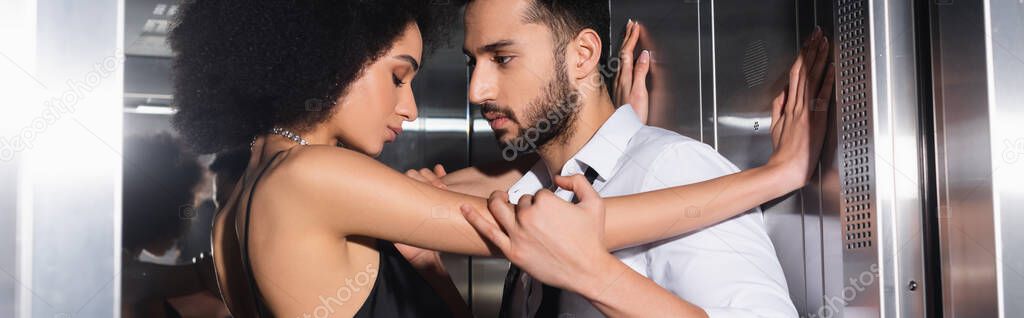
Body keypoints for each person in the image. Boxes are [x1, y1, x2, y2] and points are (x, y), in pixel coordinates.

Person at [168, 0, 828, 317]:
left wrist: (619, 147)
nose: (411, 107)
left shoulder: (246, 197)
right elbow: (524, 230)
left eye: (502, 59)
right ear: (330, 59)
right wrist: (773, 176)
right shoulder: (313, 175)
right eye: (399, 75)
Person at [433, 1, 833, 316]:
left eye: (502, 58)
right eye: (473, 62)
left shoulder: (673, 170)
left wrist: (594, 275)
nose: (476, 91)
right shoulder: (538, 193)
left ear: (584, 55)